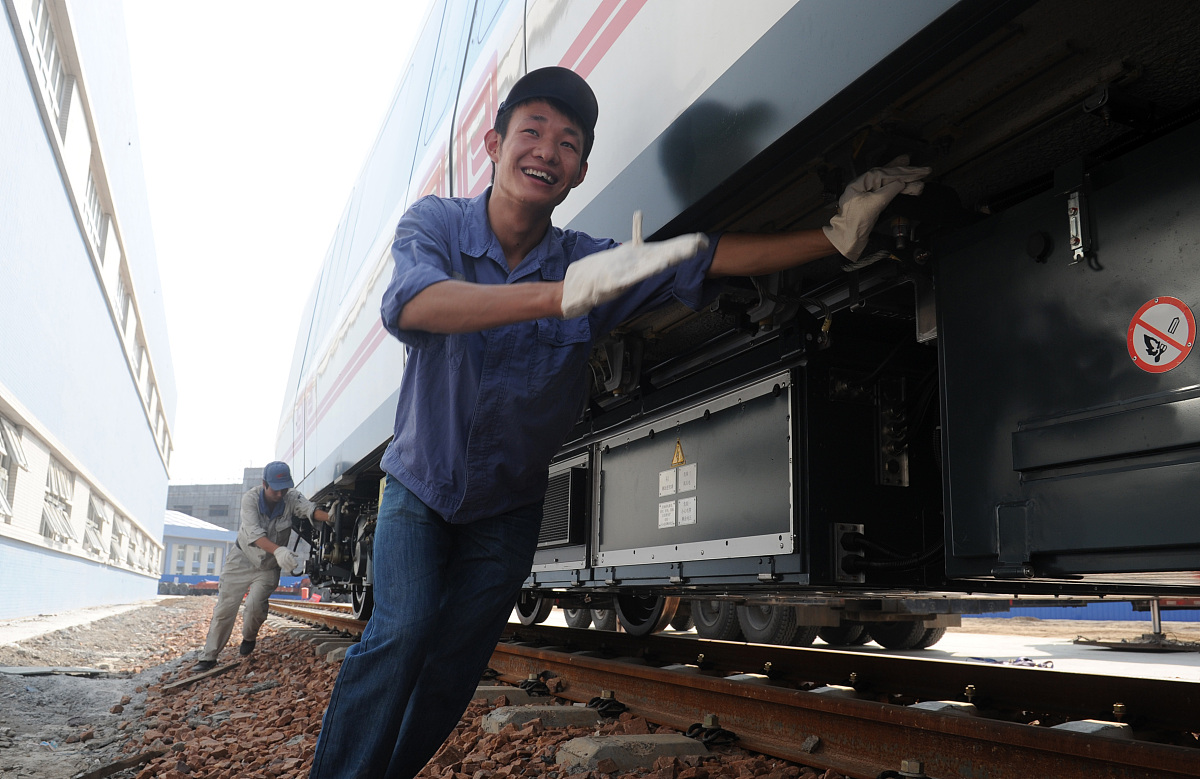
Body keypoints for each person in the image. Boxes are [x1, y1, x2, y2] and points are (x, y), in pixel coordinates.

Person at [309, 67, 929, 777]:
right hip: (420, 486)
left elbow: (699, 255)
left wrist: (834, 236)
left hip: (507, 506)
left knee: (454, 665)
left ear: (578, 173)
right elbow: (414, 304)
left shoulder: (590, 261)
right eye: (533, 130)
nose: (547, 150)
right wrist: (558, 297)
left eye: (568, 143)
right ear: (494, 144)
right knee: (403, 631)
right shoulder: (437, 225)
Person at [193, 461, 330, 672]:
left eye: (284, 489)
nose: (280, 494)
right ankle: (209, 657)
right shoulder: (250, 500)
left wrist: (331, 517)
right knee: (225, 608)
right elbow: (255, 535)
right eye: (276, 489)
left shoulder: (290, 497)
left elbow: (309, 510)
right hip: (241, 560)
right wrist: (279, 550)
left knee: (255, 606)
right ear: (264, 484)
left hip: (268, 566)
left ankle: (249, 637)